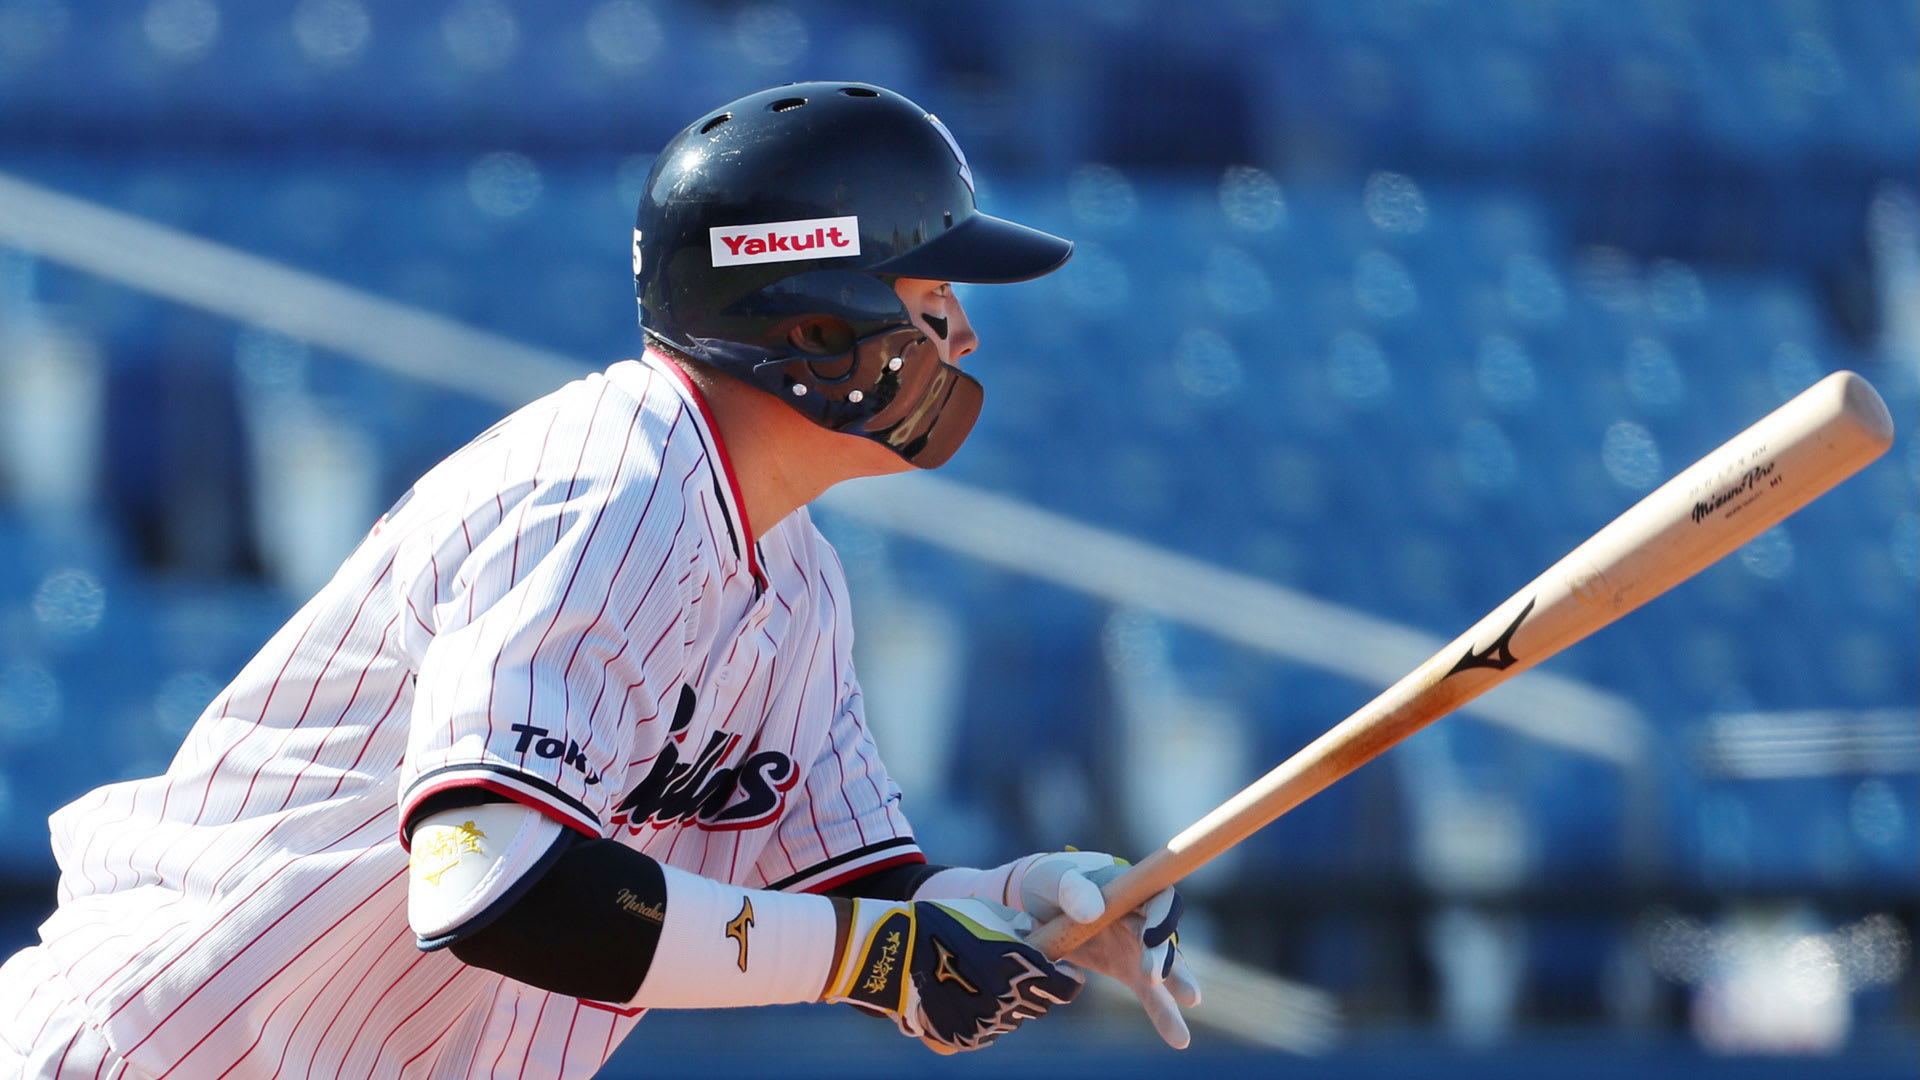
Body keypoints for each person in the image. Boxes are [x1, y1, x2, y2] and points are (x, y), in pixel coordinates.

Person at [0, 82, 1199, 1079]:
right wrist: (880, 952)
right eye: (933, 299)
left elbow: (848, 891)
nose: (964, 337)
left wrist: (1031, 899)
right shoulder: (609, 490)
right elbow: (494, 887)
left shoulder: (796, 575)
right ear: (812, 323)